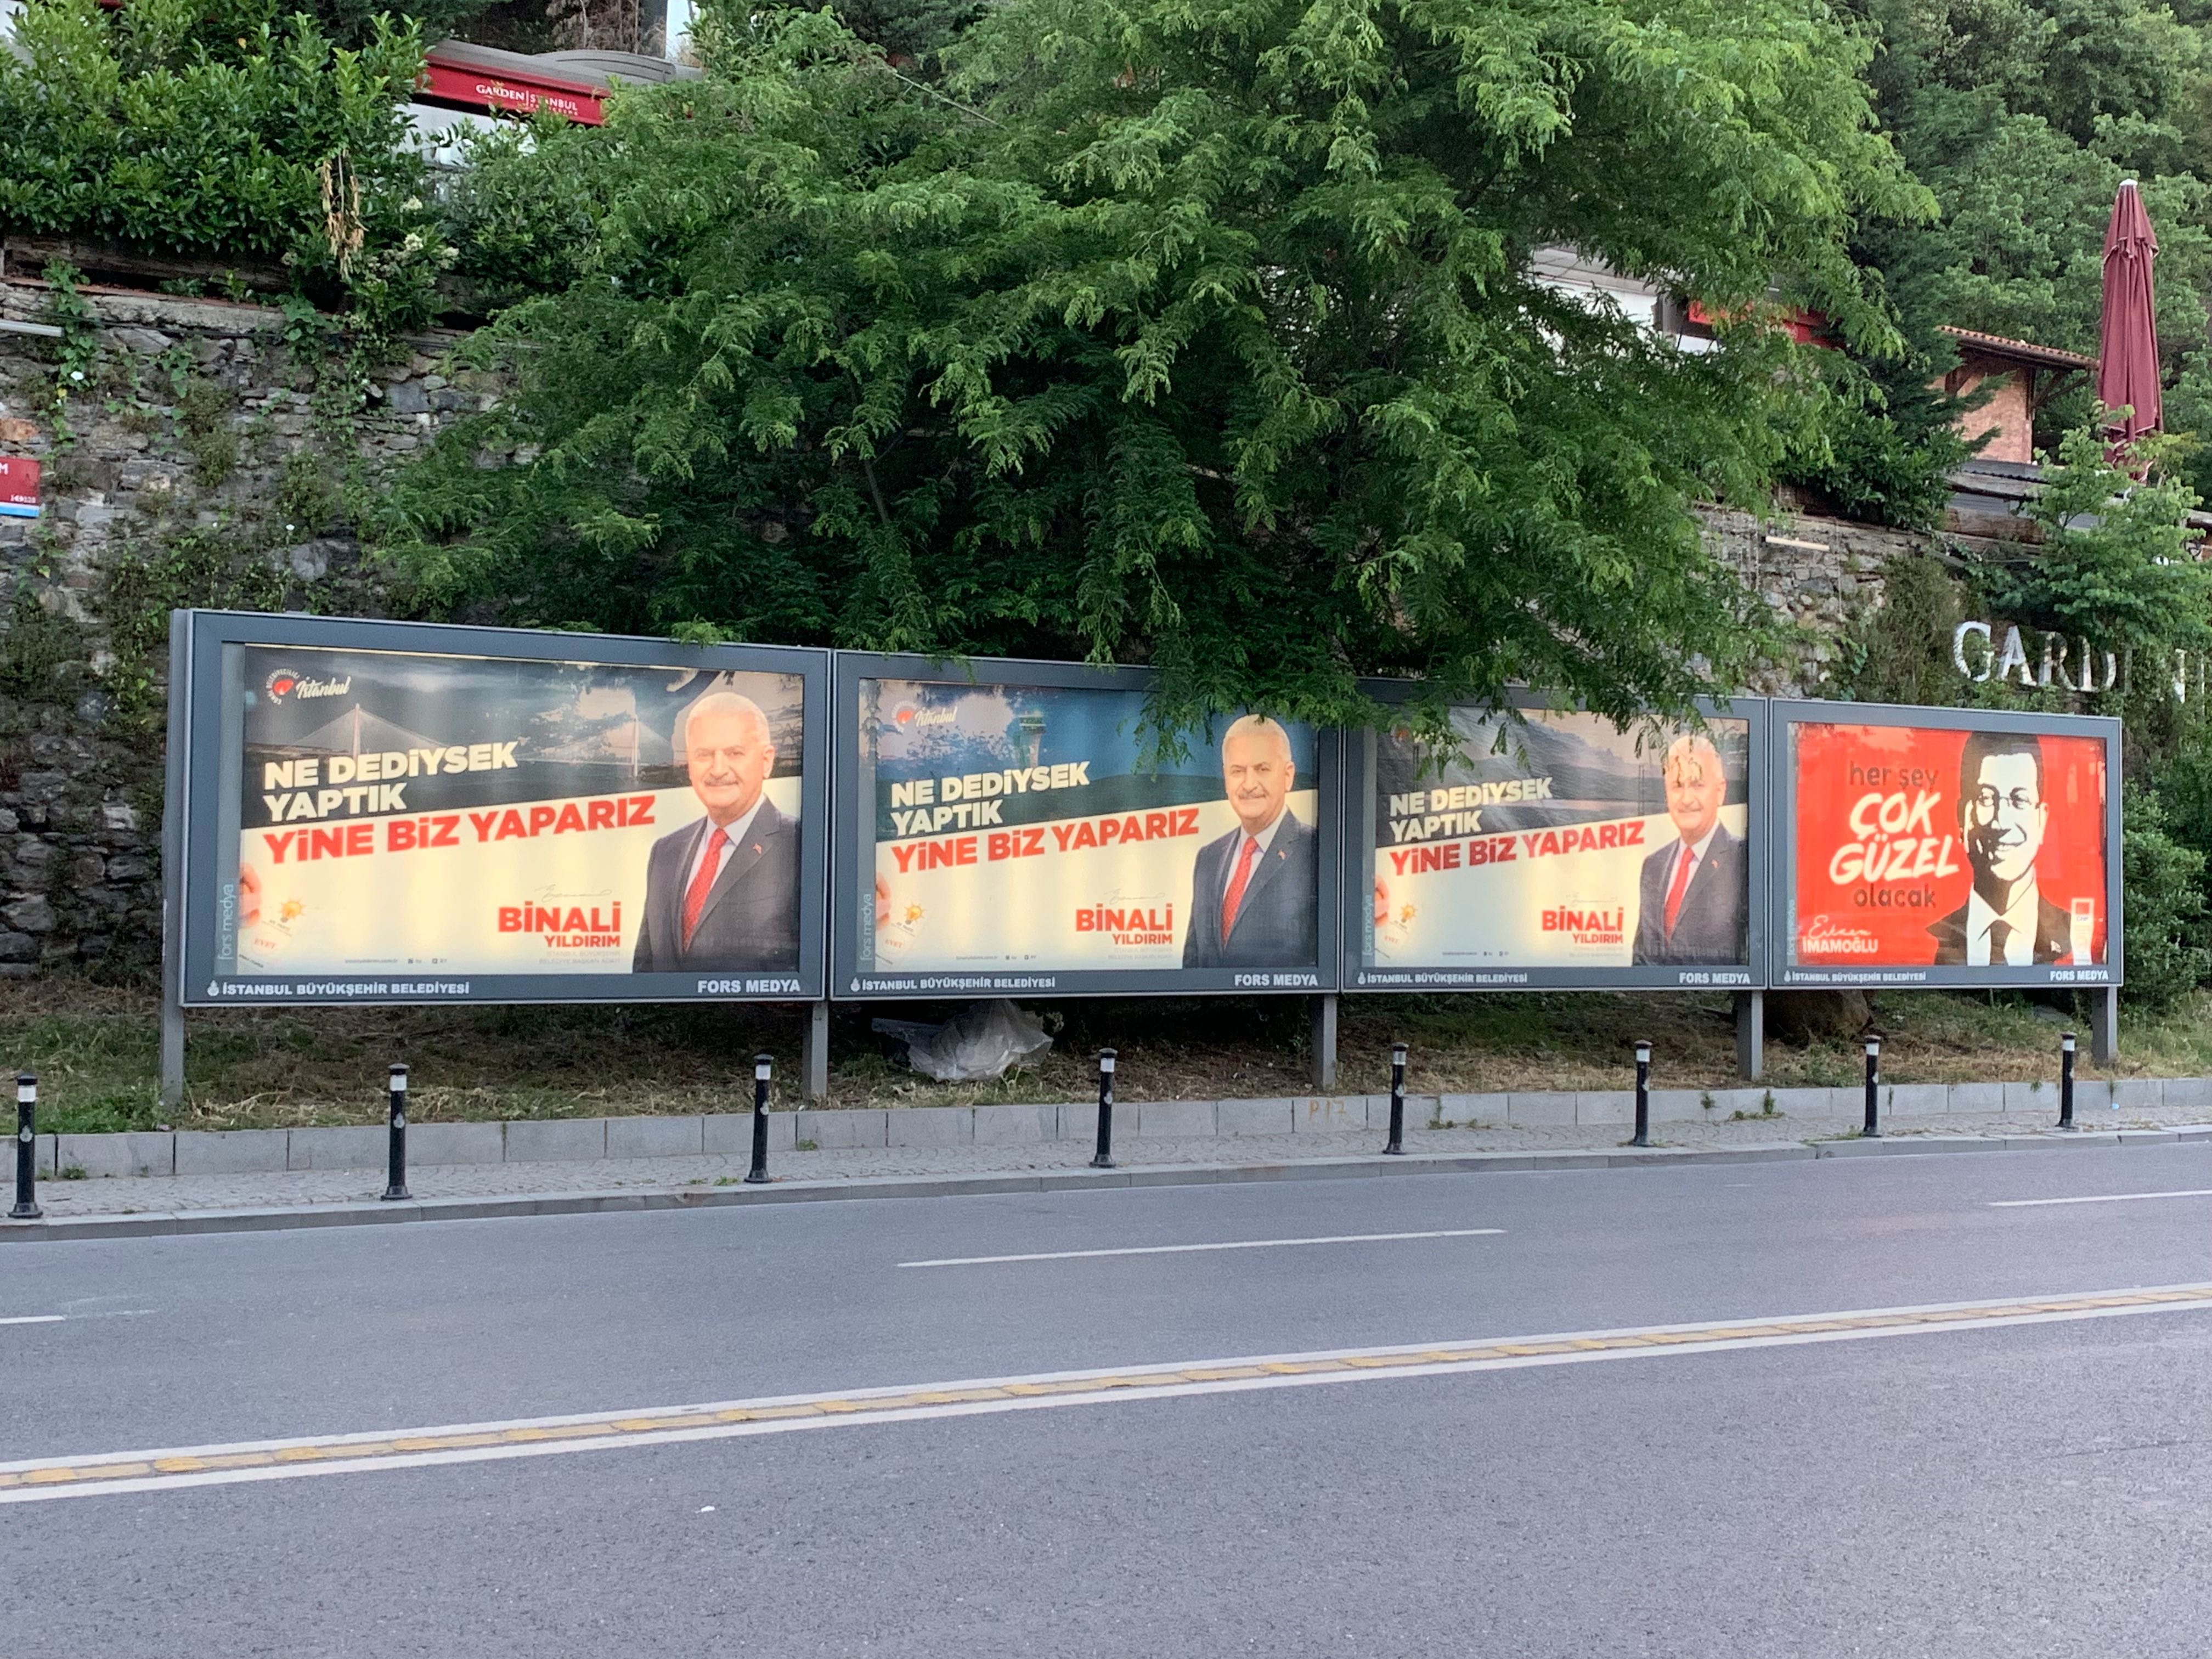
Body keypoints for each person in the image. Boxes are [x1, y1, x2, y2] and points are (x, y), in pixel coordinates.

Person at [633, 690, 800, 973]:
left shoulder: (802, 844)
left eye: (734, 753)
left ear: (767, 761)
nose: (718, 769)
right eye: (704, 755)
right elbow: (645, 969)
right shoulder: (666, 851)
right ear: (689, 765)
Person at [1182, 715, 1317, 968]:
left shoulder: (1316, 851)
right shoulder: (1208, 857)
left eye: (1262, 769)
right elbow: (1194, 961)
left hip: (1281, 1007)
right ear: (1225, 778)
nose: (1249, 784)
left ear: (1288, 776)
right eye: (1238, 771)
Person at [1929, 730, 2070, 965]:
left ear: (2041, 820)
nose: (2001, 821)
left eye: (2020, 800)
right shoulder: (1935, 939)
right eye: (1986, 798)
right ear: (1964, 818)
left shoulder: (2072, 937)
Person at [1631, 732, 1747, 966]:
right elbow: (1641, 958)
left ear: (1720, 791)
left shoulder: (1743, 859)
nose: (1686, 798)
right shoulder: (1653, 864)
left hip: (1715, 1000)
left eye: (1697, 784)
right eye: (1677, 786)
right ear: (1666, 794)